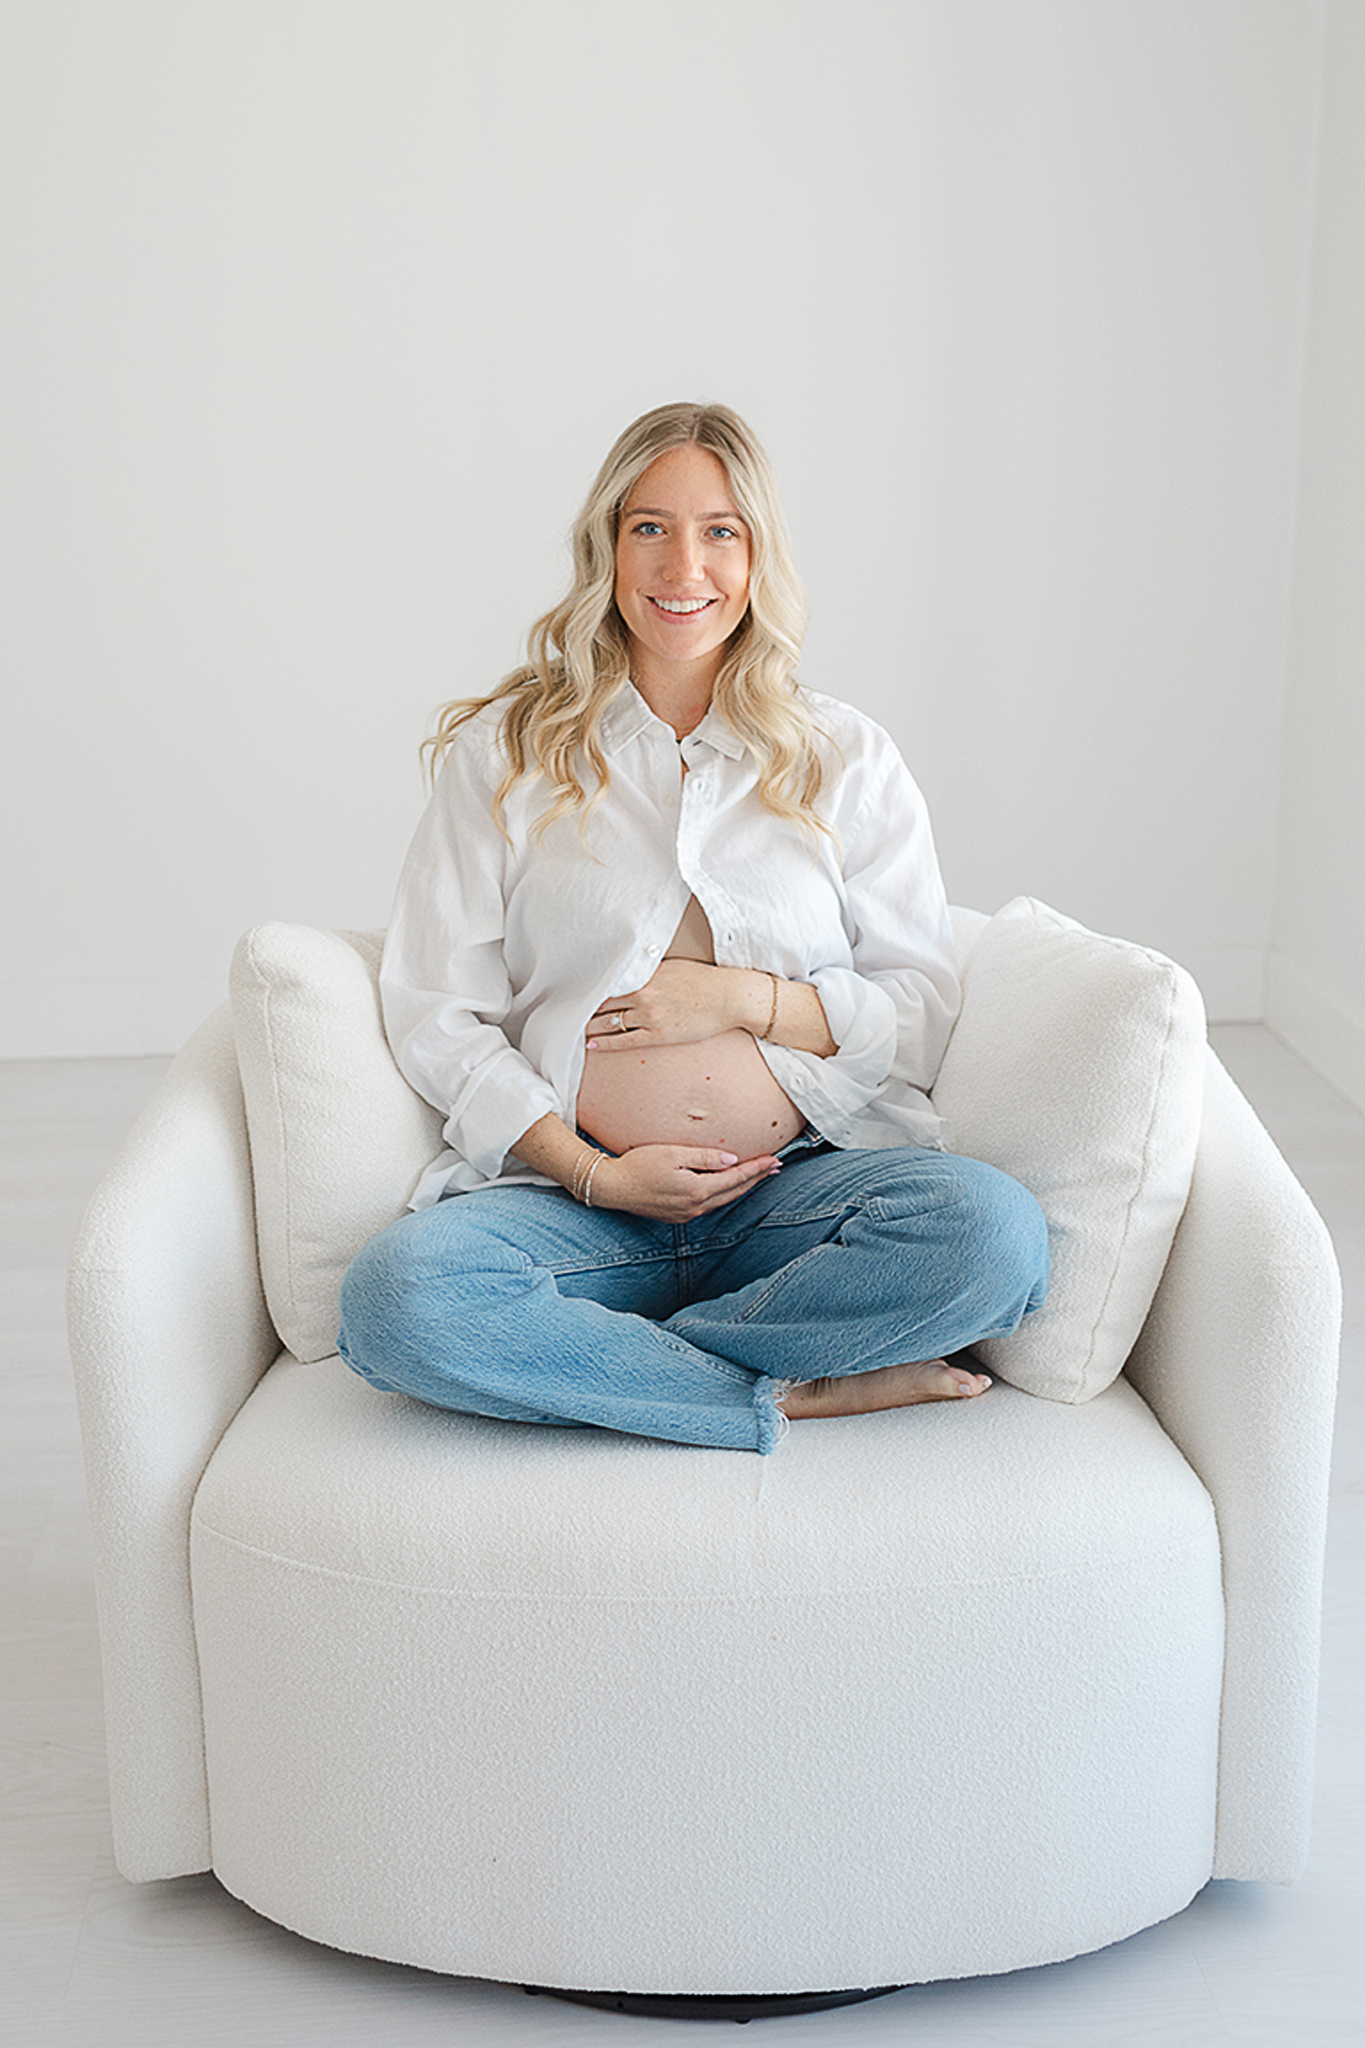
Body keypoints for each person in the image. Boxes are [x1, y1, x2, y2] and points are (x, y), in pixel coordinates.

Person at [337, 402, 1048, 1453]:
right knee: (396, 1298)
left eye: (721, 530)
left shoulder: (844, 756)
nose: (685, 565)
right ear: (607, 546)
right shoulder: (506, 755)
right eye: (650, 526)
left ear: (759, 555)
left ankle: (616, 1366)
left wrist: (744, 999)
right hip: (579, 1207)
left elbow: (920, 1014)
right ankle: (780, 1386)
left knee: (996, 1237)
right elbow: (437, 1012)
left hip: (798, 1194)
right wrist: (594, 1172)